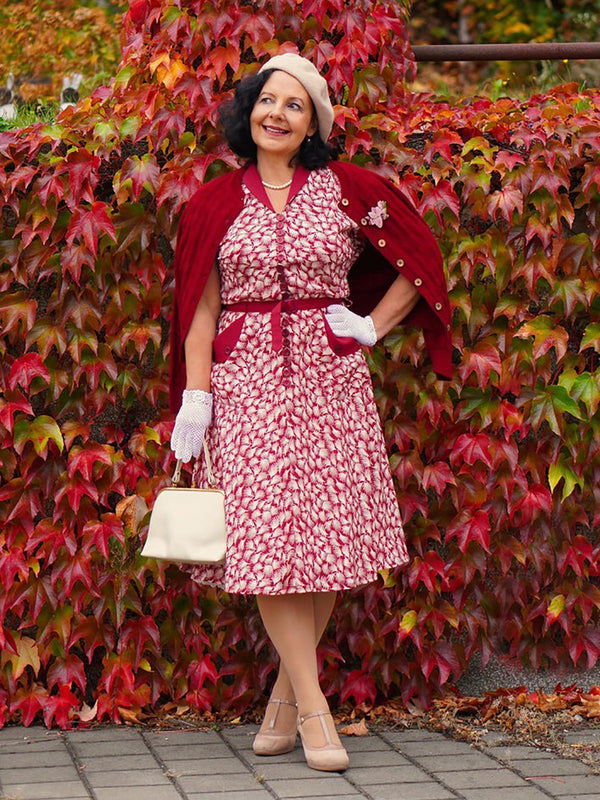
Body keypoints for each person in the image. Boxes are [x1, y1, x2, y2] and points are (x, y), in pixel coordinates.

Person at [168, 53, 452, 772]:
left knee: (323, 533)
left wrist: (372, 326)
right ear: (248, 110)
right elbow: (198, 305)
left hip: (331, 378)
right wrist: (196, 396)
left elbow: (421, 259)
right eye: (268, 99)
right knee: (269, 542)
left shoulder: (347, 189)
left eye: (295, 105)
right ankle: (317, 709)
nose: (277, 114)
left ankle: (287, 702)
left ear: (313, 124)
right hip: (246, 382)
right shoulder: (212, 201)